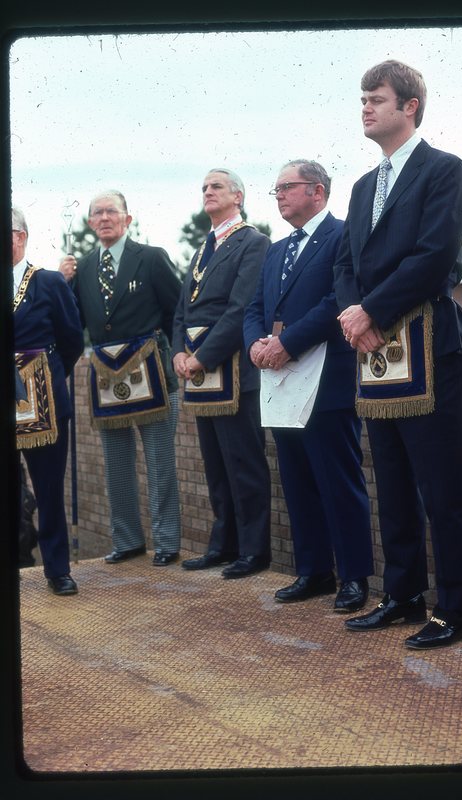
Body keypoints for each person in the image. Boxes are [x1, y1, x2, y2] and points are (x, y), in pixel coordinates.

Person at [334, 60, 462, 649]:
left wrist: (371, 310)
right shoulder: (362, 186)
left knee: (441, 487)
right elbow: (345, 263)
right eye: (362, 99)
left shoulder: (444, 170)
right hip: (376, 353)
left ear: (409, 106)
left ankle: (456, 609)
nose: (366, 108)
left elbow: (435, 254)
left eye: (376, 98)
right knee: (391, 482)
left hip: (430, 343)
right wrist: (354, 313)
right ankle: (402, 594)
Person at [244, 159, 374, 611]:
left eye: (287, 186)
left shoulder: (341, 235)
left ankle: (354, 577)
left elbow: (336, 300)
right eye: (276, 189)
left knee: (338, 481)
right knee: (297, 481)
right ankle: (314, 571)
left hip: (326, 379)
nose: (279, 195)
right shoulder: (277, 249)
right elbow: (255, 306)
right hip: (282, 381)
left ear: (317, 191)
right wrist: (255, 345)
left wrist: (288, 342)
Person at [59, 190, 182, 566]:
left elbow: (176, 313)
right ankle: (127, 540)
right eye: (97, 213)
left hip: (153, 371)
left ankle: (166, 541)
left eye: (112, 211)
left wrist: (175, 358)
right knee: (116, 462)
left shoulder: (152, 258)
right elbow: (71, 323)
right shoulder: (82, 268)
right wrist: (63, 283)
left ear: (128, 219)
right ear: (90, 223)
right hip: (105, 375)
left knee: (160, 461)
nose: (104, 218)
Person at [172, 168, 271, 579]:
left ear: (238, 197)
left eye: (216, 186)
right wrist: (178, 352)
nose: (207, 192)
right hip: (201, 375)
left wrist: (203, 356)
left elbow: (240, 309)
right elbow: (182, 310)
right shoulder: (202, 248)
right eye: (204, 187)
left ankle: (253, 550)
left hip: (232, 371)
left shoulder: (253, 242)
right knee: (215, 465)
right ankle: (222, 544)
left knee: (243, 463)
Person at [13, 206, 84, 595]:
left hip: (44, 402)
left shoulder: (48, 282)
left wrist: (45, 375)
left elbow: (72, 340)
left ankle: (57, 570)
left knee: (49, 488)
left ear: (20, 236)